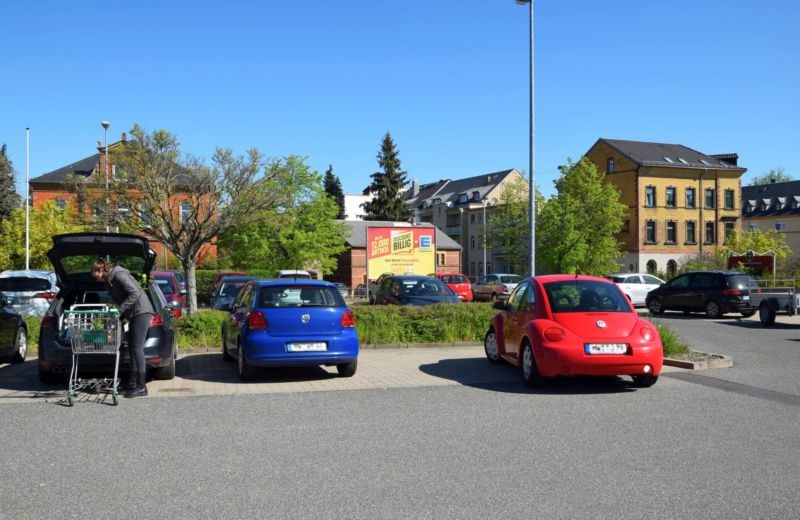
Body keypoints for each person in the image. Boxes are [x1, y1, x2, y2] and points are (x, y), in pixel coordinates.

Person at [90, 258, 154, 398]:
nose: (97, 279)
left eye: (97, 276)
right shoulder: (109, 281)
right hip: (133, 314)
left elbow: (134, 293)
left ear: (102, 270)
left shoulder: (119, 275)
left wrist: (119, 311)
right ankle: (132, 384)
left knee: (137, 349)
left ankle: (142, 386)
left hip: (141, 311)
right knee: (132, 348)